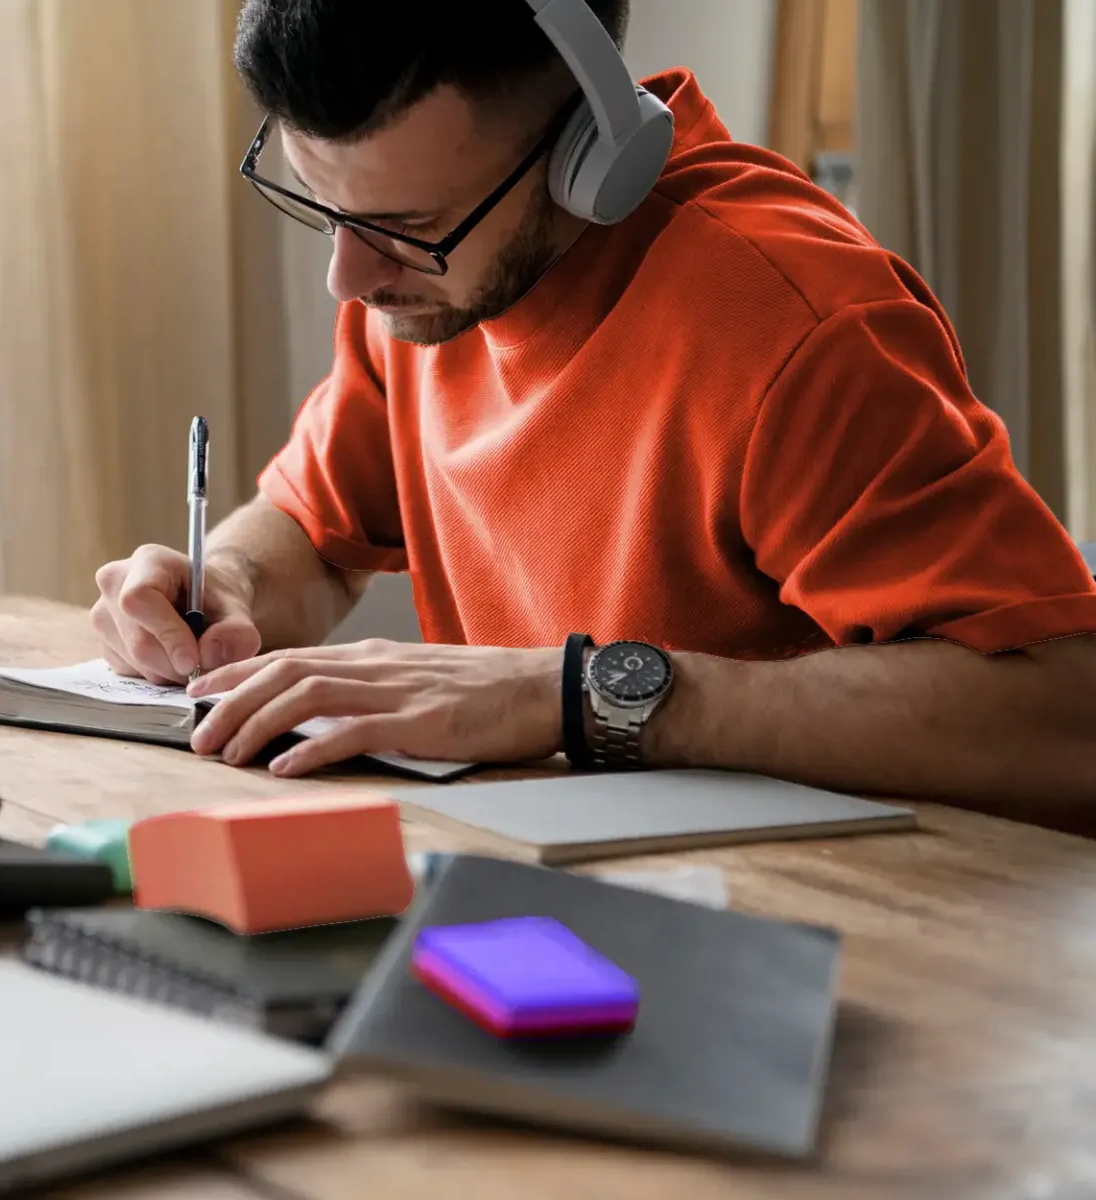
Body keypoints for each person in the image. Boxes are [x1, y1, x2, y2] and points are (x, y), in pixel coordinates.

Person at [90, 0, 1096, 830]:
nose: (346, 278)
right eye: (320, 203)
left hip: (847, 934)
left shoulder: (798, 325)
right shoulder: (425, 297)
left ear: (588, 156)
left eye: (407, 228)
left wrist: (570, 696)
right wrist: (223, 587)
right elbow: (313, 537)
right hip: (555, 887)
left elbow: (1063, 718)